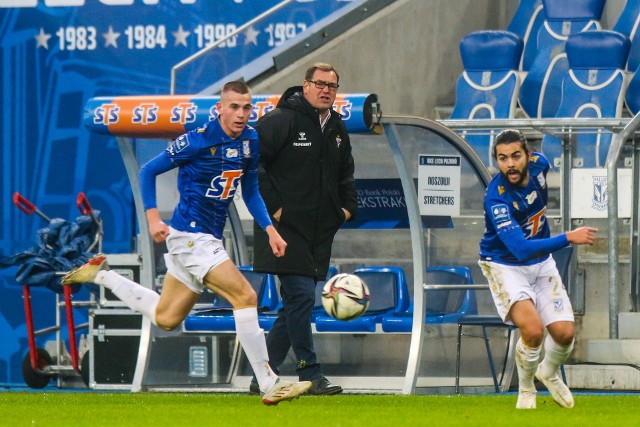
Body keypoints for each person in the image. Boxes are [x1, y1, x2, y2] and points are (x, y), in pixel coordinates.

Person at [62, 81, 311, 405]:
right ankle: (269, 382)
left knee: (166, 318)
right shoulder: (197, 140)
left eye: (247, 107)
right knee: (245, 295)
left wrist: (270, 230)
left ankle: (100, 275)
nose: (240, 114)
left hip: (203, 239)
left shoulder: (250, 140)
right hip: (191, 237)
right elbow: (149, 170)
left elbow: (250, 190)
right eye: (234, 107)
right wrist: (152, 217)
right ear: (219, 108)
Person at [249, 63, 357, 395]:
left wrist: (345, 210)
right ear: (305, 85)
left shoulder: (337, 128)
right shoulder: (279, 121)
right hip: (282, 229)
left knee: (294, 304)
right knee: (299, 296)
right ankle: (309, 372)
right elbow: (254, 164)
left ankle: (260, 376)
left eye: (332, 86)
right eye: (320, 84)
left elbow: (346, 175)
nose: (326, 90)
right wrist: (275, 209)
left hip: (319, 231)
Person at [478, 129, 597, 409]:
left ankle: (549, 371)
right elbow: (519, 248)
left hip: (541, 262)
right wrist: (568, 237)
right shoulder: (497, 198)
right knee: (532, 331)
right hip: (504, 264)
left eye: (515, 156)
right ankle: (526, 387)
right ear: (496, 161)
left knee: (565, 334)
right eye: (502, 158)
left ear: (528, 156)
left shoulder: (541, 164)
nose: (509, 164)